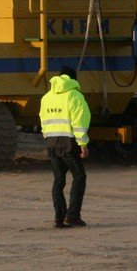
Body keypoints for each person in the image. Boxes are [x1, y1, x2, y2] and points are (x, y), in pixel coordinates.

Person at [39, 66, 91, 228]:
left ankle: (58, 218)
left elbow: (42, 120)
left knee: (58, 179)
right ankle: (73, 215)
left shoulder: (46, 97)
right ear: (73, 79)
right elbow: (79, 122)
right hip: (68, 141)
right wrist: (83, 143)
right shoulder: (75, 96)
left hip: (51, 142)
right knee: (79, 176)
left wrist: (48, 138)